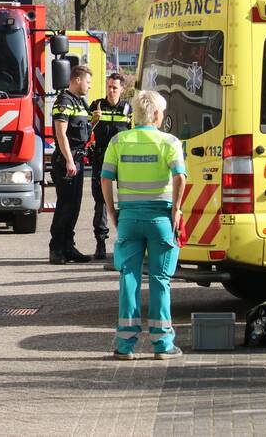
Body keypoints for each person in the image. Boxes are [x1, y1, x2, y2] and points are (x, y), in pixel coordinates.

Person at [101, 90, 187, 360]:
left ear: (135, 116)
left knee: (129, 278)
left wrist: (112, 210)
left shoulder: (118, 141)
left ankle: (125, 345)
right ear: (158, 115)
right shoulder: (169, 141)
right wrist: (176, 209)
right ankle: (163, 345)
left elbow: (105, 178)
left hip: (128, 218)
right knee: (161, 280)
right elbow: (180, 177)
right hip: (161, 219)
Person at [49, 64, 94, 264]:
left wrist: (96, 121)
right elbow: (61, 133)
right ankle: (56, 248)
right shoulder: (64, 101)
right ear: (77, 80)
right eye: (88, 81)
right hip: (67, 160)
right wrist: (68, 160)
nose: (89, 86)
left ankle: (69, 246)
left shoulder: (80, 102)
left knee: (74, 207)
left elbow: (82, 132)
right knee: (65, 206)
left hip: (77, 159)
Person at [88, 73, 133, 260]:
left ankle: (126, 240)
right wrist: (93, 121)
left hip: (123, 160)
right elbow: (84, 131)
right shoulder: (97, 106)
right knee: (101, 201)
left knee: (126, 200)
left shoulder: (129, 108)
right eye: (109, 87)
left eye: (115, 87)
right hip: (101, 157)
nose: (111, 90)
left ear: (122, 89)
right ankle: (100, 242)